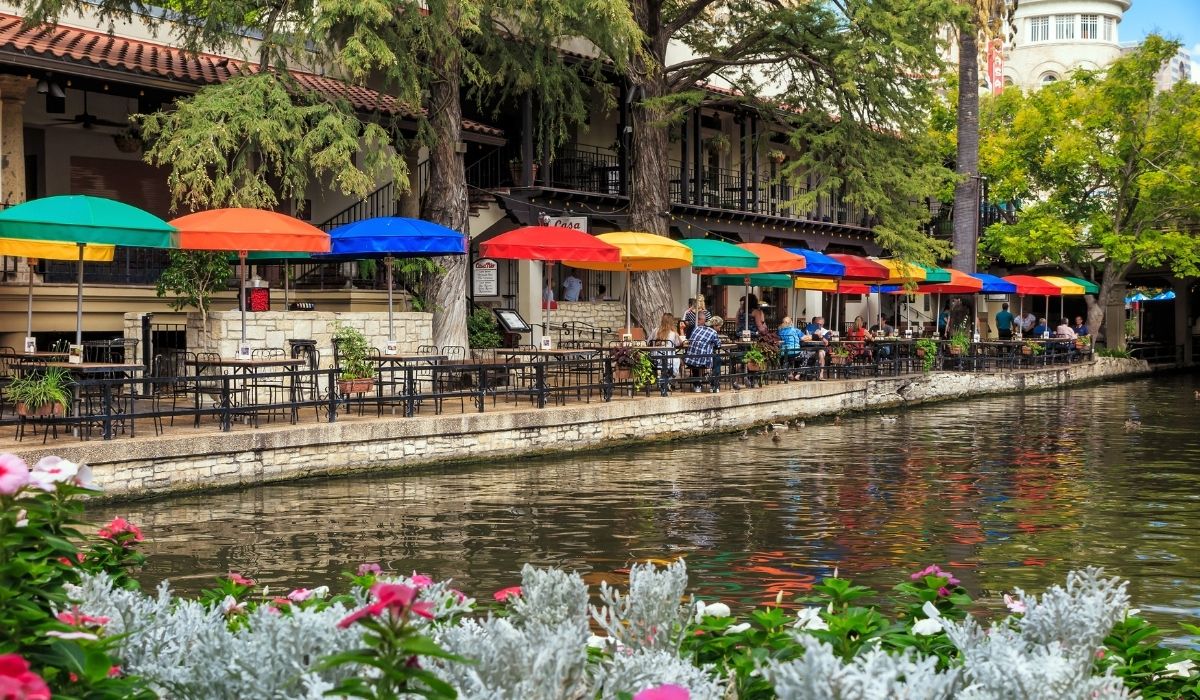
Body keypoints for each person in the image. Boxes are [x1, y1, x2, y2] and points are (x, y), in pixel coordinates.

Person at [684, 317, 722, 393]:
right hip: (703, 362)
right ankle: (714, 385)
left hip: (690, 359)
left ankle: (697, 385)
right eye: (719, 327)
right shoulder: (713, 332)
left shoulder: (697, 328)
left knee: (697, 356)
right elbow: (718, 345)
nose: (719, 329)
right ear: (715, 325)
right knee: (717, 359)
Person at [651, 313, 682, 380]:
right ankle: (671, 379)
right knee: (679, 360)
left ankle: (663, 378)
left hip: (655, 358)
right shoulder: (673, 333)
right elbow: (678, 344)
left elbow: (648, 342)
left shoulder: (655, 331)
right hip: (669, 359)